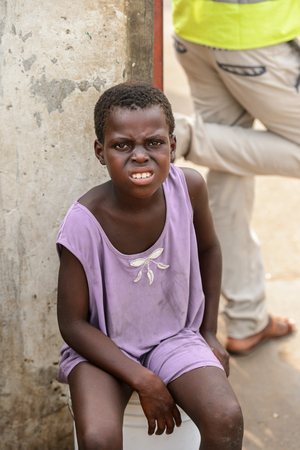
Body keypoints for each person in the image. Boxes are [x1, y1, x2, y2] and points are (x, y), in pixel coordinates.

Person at [56, 81, 243, 450]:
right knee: (99, 437)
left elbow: (209, 249)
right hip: (103, 346)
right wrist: (145, 379)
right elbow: (73, 324)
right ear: (100, 151)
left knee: (226, 417)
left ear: (172, 146)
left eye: (154, 143)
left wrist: (207, 331)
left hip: (175, 336)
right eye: (122, 145)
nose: (139, 156)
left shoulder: (188, 189)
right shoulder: (83, 222)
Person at [170, 0, 299, 355]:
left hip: (196, 30)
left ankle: (246, 318)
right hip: (257, 39)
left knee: (230, 170)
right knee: (223, 155)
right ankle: (183, 135)